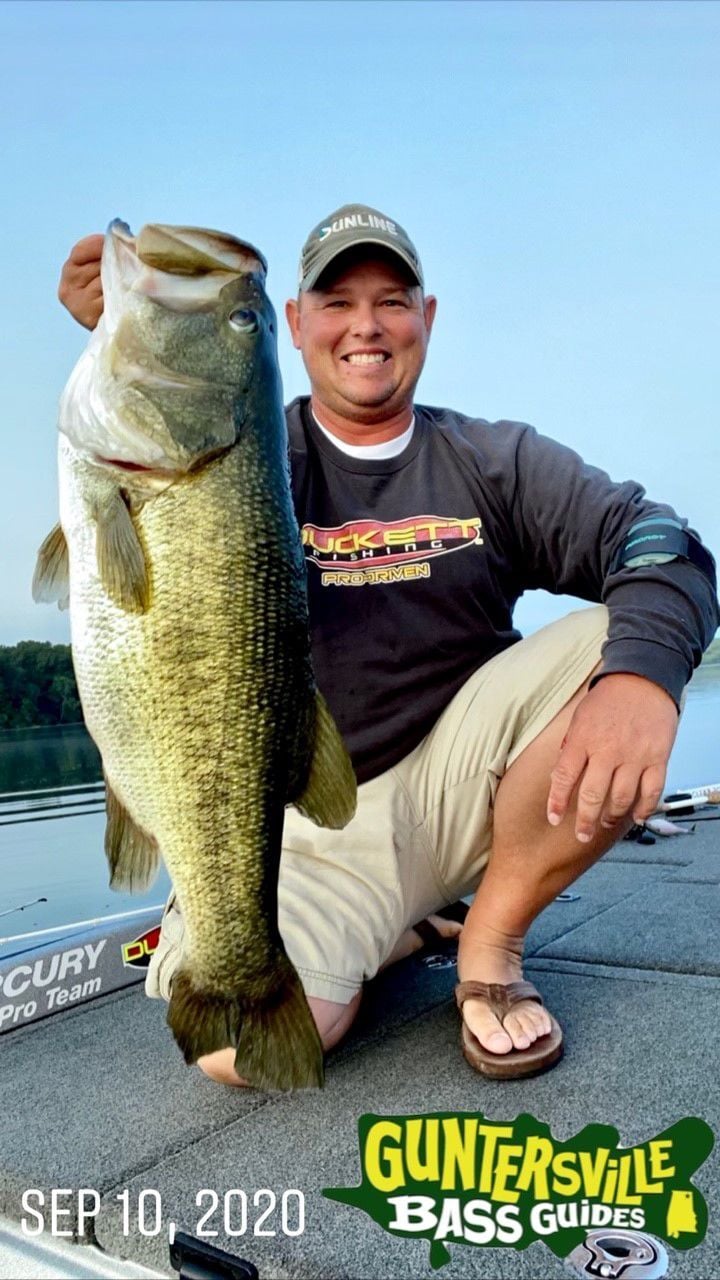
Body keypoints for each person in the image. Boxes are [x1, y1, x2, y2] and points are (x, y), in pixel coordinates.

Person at [57, 204, 718, 1085]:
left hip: (464, 797)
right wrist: (132, 333)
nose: (365, 325)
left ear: (426, 318)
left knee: (615, 640)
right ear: (294, 326)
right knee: (232, 1048)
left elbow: (660, 539)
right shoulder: (257, 450)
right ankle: (402, 925)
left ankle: (490, 946)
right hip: (302, 821)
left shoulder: (496, 459)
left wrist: (644, 678)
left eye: (391, 299)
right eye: (334, 301)